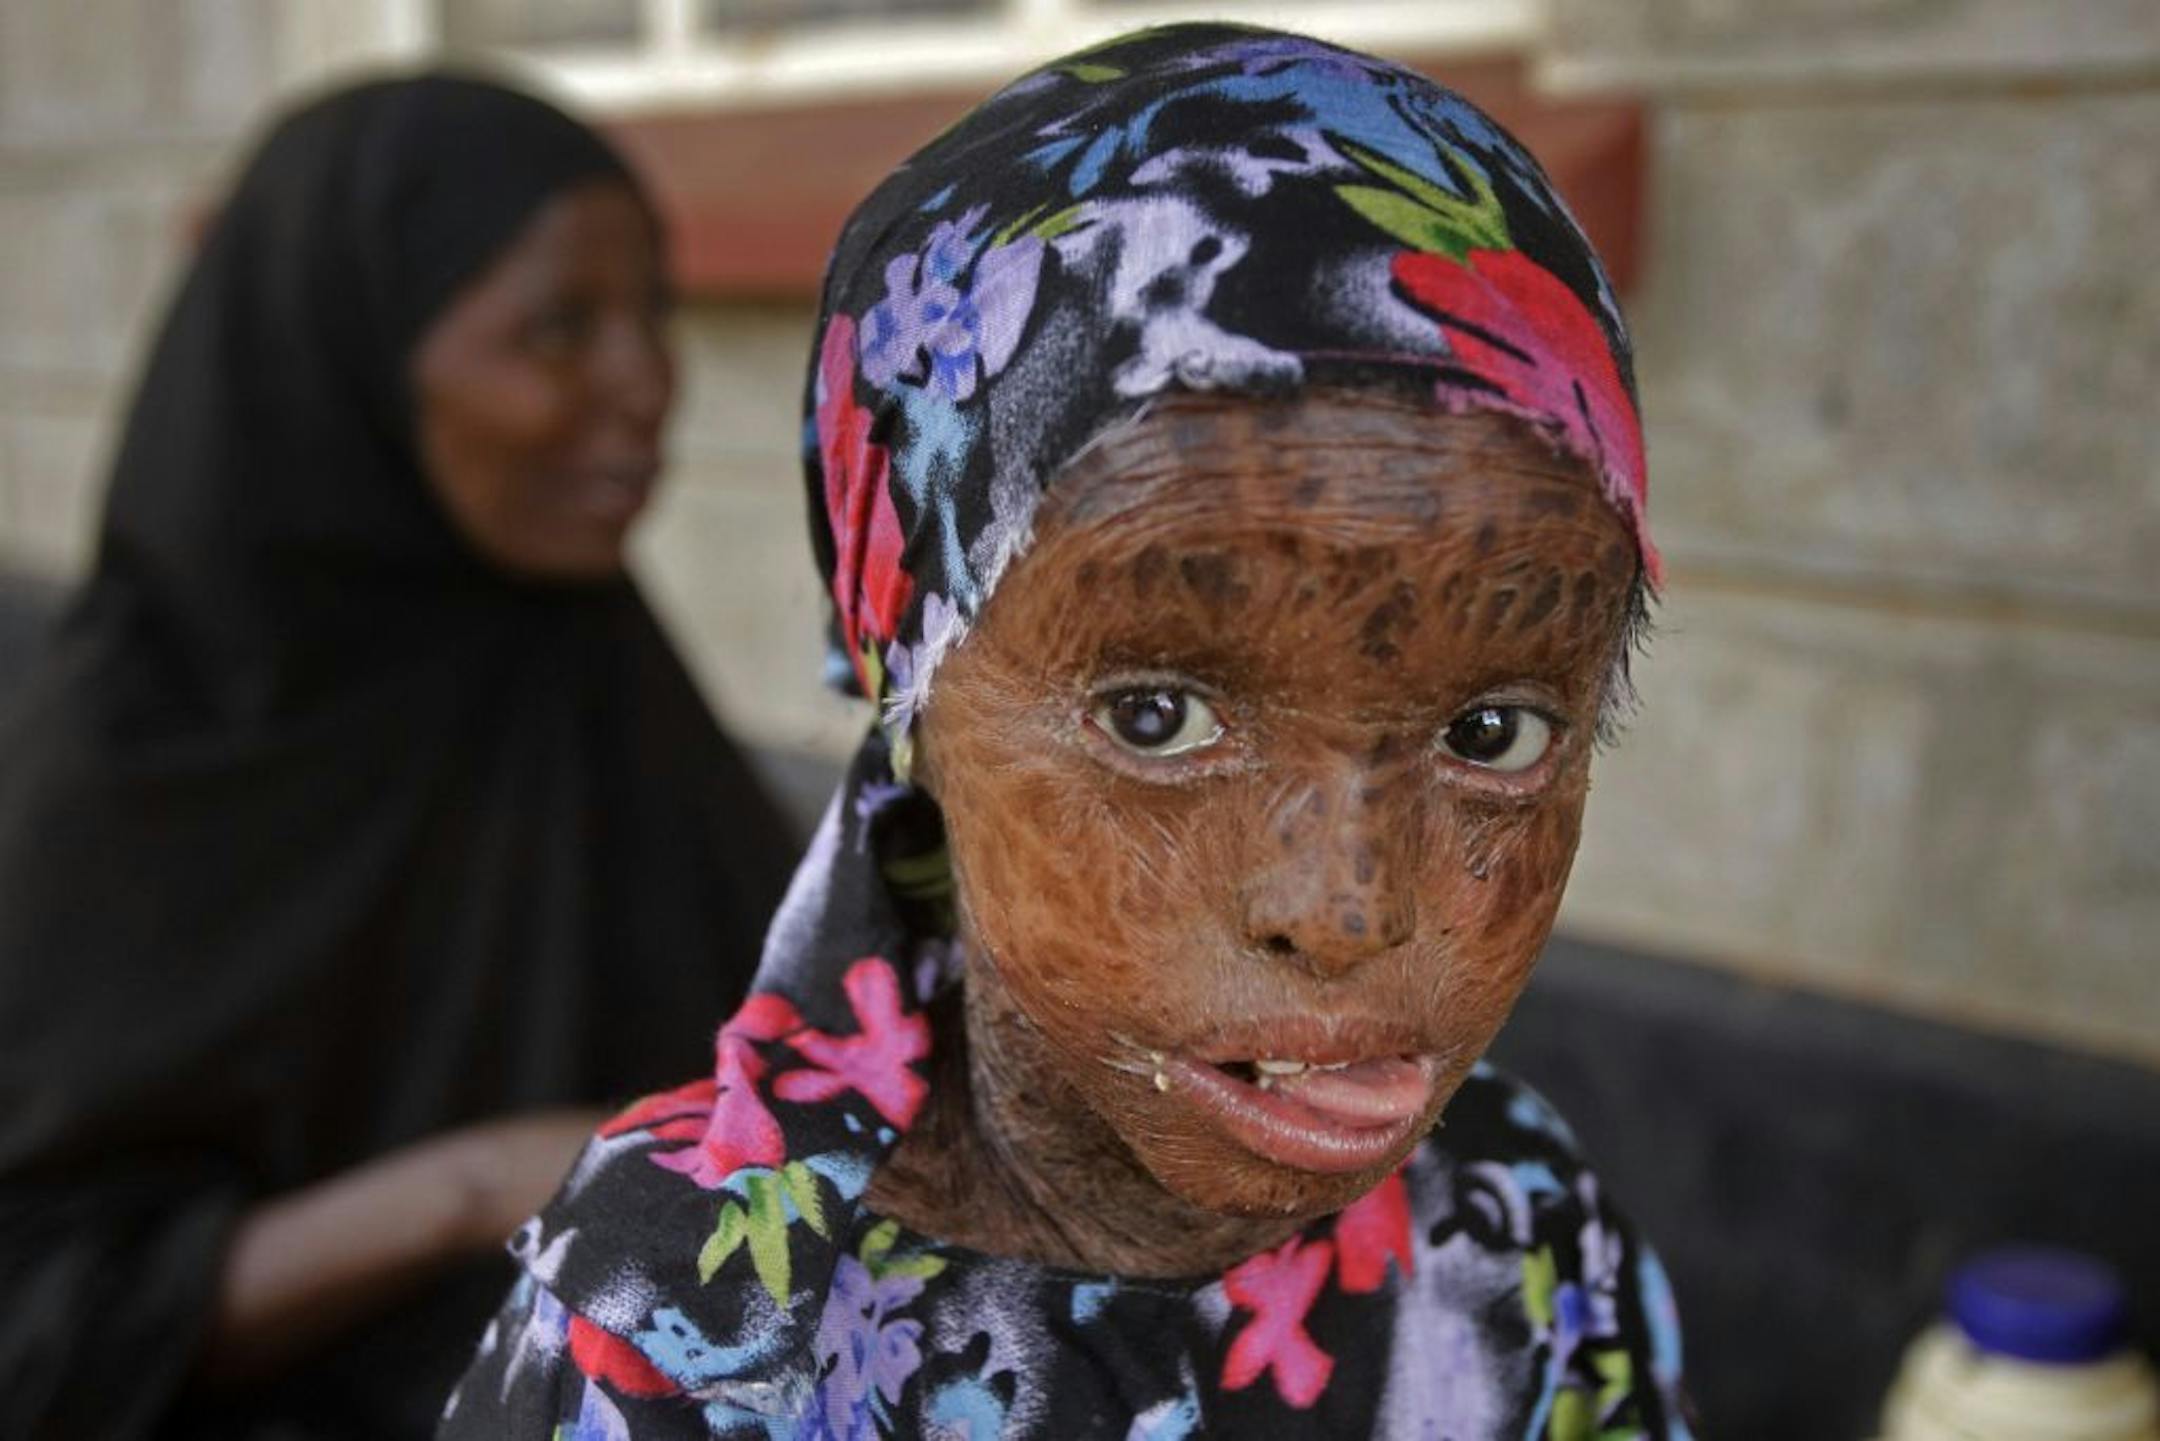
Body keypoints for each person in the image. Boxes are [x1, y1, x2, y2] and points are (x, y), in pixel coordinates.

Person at [441, 24, 1692, 1438]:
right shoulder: (692, 1331)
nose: (1345, 907)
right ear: (909, 694)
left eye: (1495, 731)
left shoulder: (1523, 1235)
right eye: (1157, 717)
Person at [0, 74, 796, 1436]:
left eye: (651, 312)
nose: (646, 382)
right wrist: (483, 1186)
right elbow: (43, 1321)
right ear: (350, 364)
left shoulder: (584, 674)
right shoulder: (140, 770)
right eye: (559, 328)